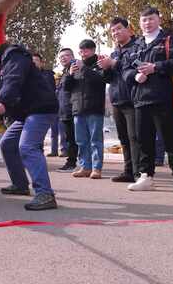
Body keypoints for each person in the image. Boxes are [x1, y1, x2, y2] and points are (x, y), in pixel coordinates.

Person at [123, 6, 173, 195]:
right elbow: (125, 69)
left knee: (171, 140)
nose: (147, 23)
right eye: (144, 20)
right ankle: (146, 176)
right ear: (139, 23)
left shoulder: (170, 40)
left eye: (151, 19)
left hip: (164, 98)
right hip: (140, 100)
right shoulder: (136, 45)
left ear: (159, 20)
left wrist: (156, 67)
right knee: (144, 140)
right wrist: (134, 77)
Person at [0, 43, 59, 210]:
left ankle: (45, 194)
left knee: (27, 147)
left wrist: (3, 101)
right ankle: (20, 184)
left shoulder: (15, 55)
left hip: (41, 107)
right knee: (7, 143)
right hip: (26, 112)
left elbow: (13, 79)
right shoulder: (1, 63)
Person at [98, 17, 139, 183]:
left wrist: (114, 63)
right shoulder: (114, 52)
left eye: (119, 29)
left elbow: (133, 69)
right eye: (113, 31)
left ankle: (139, 173)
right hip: (117, 100)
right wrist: (105, 68)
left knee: (134, 137)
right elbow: (109, 79)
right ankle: (128, 171)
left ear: (128, 29)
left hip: (132, 99)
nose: (116, 33)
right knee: (123, 138)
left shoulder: (137, 47)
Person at [65, 39, 106, 179]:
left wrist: (84, 68)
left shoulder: (100, 64)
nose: (83, 54)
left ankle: (96, 168)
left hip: (94, 108)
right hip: (78, 109)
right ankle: (85, 167)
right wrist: (70, 74)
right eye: (81, 51)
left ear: (93, 50)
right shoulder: (74, 66)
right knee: (81, 141)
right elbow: (66, 88)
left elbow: (100, 81)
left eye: (86, 50)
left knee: (96, 140)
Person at [32, 53, 61, 157]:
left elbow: (50, 89)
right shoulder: (27, 75)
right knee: (36, 136)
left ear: (41, 63)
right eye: (32, 61)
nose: (34, 63)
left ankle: (56, 150)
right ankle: (39, 153)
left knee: (54, 131)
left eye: (36, 61)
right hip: (33, 111)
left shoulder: (48, 74)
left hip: (48, 110)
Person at [55, 48, 78, 172]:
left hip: (73, 109)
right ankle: (72, 161)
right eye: (61, 57)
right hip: (64, 110)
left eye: (66, 55)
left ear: (72, 56)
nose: (63, 58)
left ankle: (72, 163)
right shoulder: (64, 72)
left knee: (73, 139)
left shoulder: (75, 68)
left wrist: (70, 74)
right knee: (69, 138)